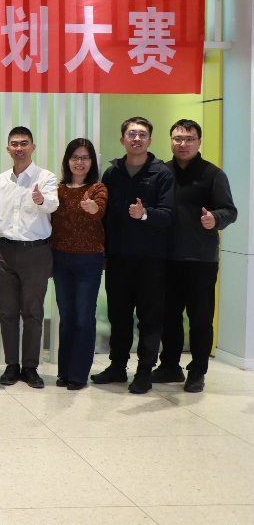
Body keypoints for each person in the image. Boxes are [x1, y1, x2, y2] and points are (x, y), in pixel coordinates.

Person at [152, 119, 237, 393]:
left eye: (189, 139)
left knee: (200, 318)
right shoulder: (162, 172)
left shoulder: (213, 174)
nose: (183, 144)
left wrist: (215, 218)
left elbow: (230, 211)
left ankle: (198, 370)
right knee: (169, 317)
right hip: (167, 257)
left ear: (199, 142)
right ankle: (170, 366)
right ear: (171, 141)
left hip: (201, 259)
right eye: (178, 138)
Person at [93, 117, 176, 394]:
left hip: (151, 260)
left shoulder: (162, 173)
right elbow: (105, 217)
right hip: (118, 258)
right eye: (131, 134)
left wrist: (145, 214)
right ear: (122, 139)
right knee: (119, 316)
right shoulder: (112, 173)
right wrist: (104, 250)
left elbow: (169, 215)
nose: (136, 138)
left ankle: (144, 372)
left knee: (150, 319)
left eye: (142, 134)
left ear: (149, 140)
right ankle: (117, 366)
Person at [0, 126, 59, 389]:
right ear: (8, 148)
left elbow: (52, 205)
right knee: (7, 313)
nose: (19, 148)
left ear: (33, 147)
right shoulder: (0, 180)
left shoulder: (46, 177)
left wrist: (40, 200)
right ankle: (12, 365)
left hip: (35, 252)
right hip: (4, 252)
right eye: (14, 144)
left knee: (33, 312)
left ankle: (30, 367)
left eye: (24, 143)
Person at [50, 138, 108, 391]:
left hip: (89, 259)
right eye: (75, 157)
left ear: (92, 162)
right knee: (67, 317)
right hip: (60, 258)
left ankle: (78, 374)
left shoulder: (98, 188)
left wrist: (92, 207)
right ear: (68, 161)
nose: (79, 162)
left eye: (85, 158)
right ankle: (64, 371)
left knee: (84, 317)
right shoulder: (58, 189)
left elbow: (100, 210)